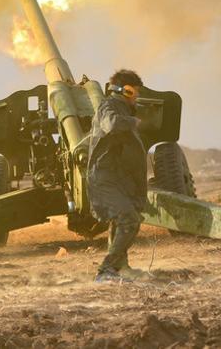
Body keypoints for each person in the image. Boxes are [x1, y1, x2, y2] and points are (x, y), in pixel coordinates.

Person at [87, 69, 149, 283]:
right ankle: (106, 270)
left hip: (117, 177)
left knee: (121, 219)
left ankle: (122, 267)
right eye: (136, 93)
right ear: (128, 90)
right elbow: (111, 124)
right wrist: (133, 122)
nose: (137, 97)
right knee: (129, 219)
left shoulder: (120, 108)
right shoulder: (109, 107)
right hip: (104, 178)